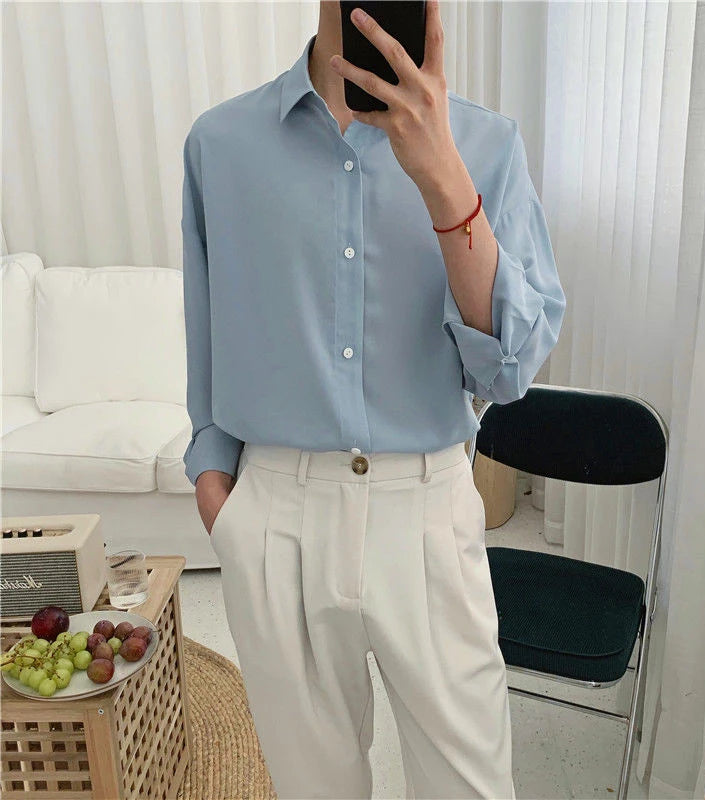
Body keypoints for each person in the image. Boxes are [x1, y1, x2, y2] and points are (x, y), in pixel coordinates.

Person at [181, 1, 566, 797]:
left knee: (470, 785)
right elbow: (207, 325)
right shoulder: (221, 145)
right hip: (276, 513)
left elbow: (510, 372)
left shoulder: (486, 146)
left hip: (424, 508)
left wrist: (442, 177)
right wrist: (217, 482)